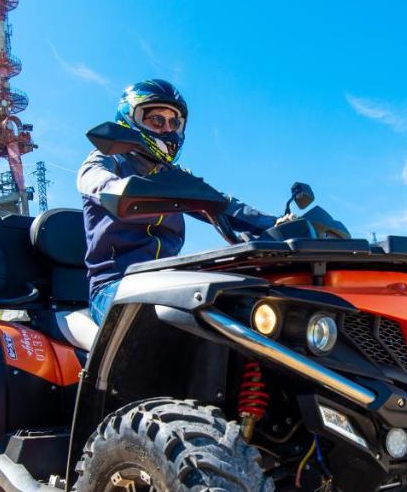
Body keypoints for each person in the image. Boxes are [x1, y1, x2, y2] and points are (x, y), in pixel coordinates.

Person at [78, 79, 278, 325]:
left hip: (169, 280)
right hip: (116, 285)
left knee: (248, 304)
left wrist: (278, 223)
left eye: (174, 122)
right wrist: (118, 188)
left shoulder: (174, 176)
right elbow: (92, 180)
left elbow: (223, 203)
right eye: (157, 120)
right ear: (130, 118)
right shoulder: (108, 159)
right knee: (161, 323)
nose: (167, 129)